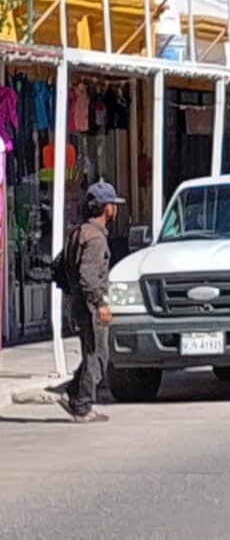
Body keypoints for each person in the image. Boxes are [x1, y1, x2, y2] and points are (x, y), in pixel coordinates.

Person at [56, 181, 124, 423]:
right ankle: (82, 404)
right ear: (106, 208)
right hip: (89, 307)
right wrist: (100, 303)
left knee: (90, 354)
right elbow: (87, 277)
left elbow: (59, 266)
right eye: (113, 205)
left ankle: (74, 394)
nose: (115, 209)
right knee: (98, 356)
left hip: (78, 303)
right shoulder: (95, 238)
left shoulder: (79, 232)